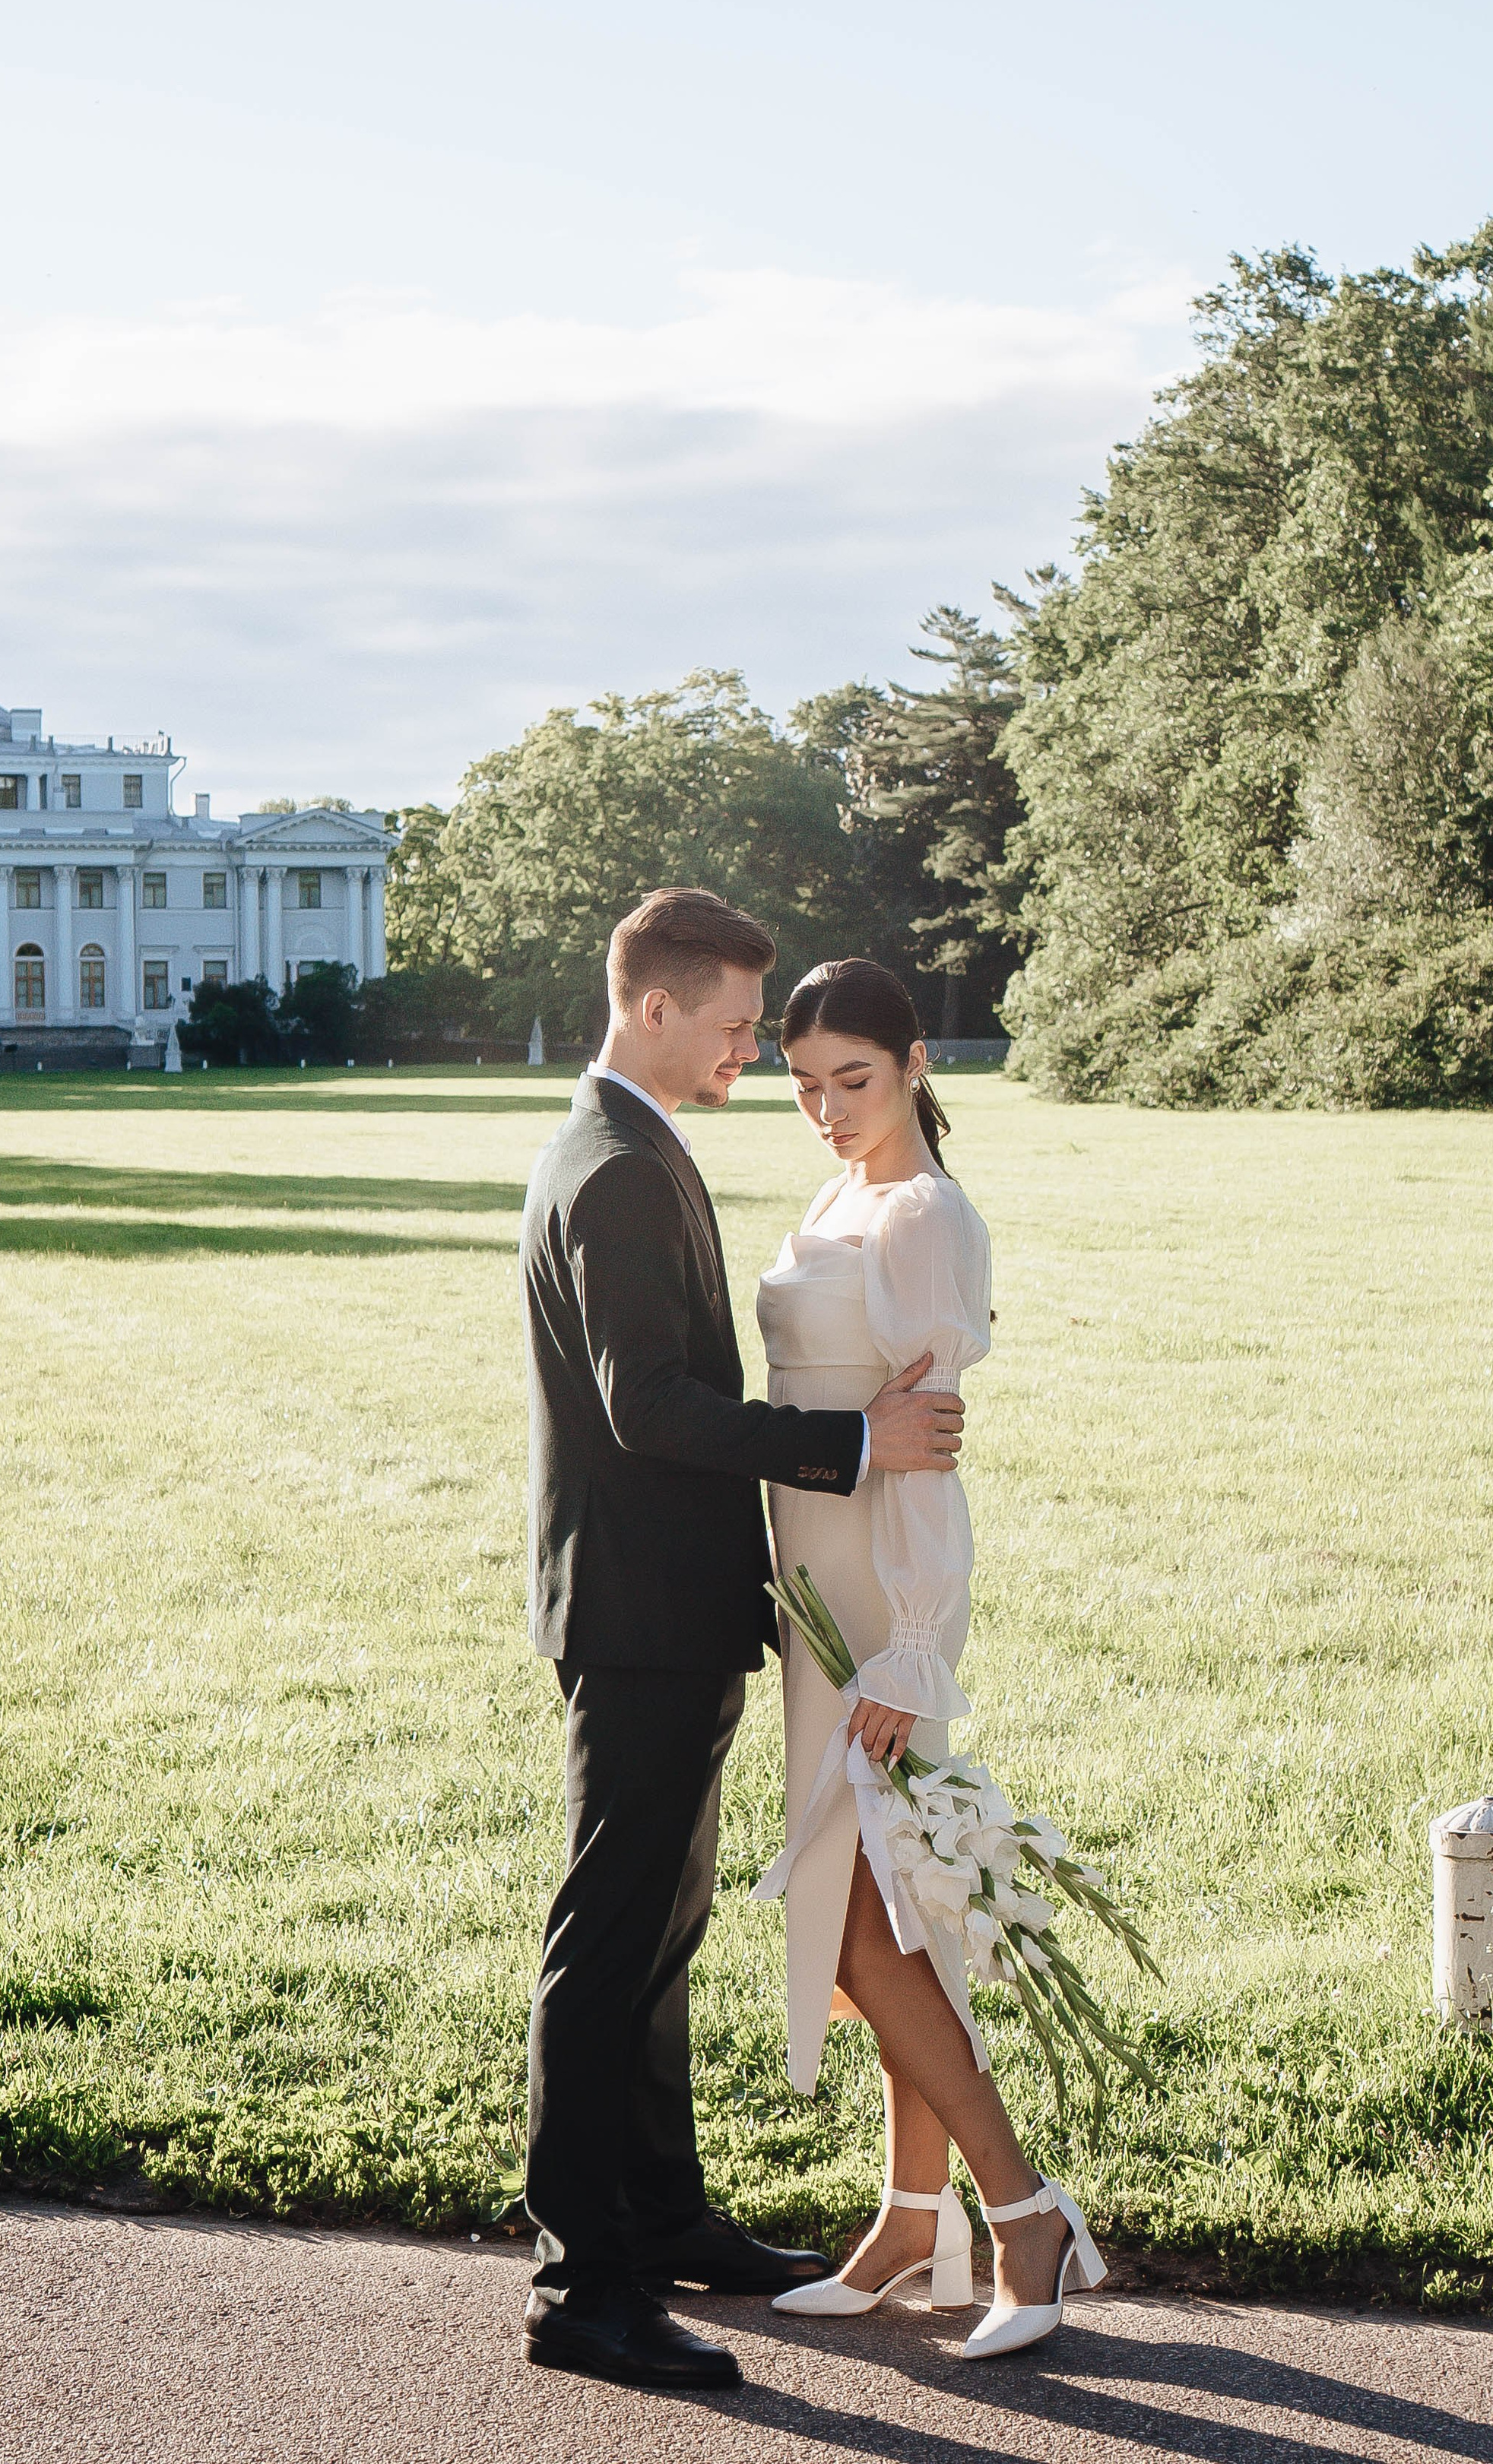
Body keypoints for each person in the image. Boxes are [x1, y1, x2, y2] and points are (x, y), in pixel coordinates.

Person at [517, 889, 967, 2394]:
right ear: (653, 1006)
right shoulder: (616, 1170)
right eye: (726, 1029)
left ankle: (665, 2217)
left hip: (672, 1611)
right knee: (608, 1943)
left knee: (661, 1935)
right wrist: (854, 1438)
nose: (741, 1059)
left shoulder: (633, 1147)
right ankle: (585, 2288)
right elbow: (649, 1409)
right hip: (637, 1618)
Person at [753, 958, 1106, 2361]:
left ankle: (1021, 2212)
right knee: (890, 1914)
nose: (829, 1110)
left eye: (855, 1078)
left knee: (863, 1919)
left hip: (876, 1604)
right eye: (803, 1086)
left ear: (913, 1065)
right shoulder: (838, 1196)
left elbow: (928, 1459)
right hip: (807, 1597)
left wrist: (907, 1648)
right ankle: (915, 2218)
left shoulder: (921, 1218)